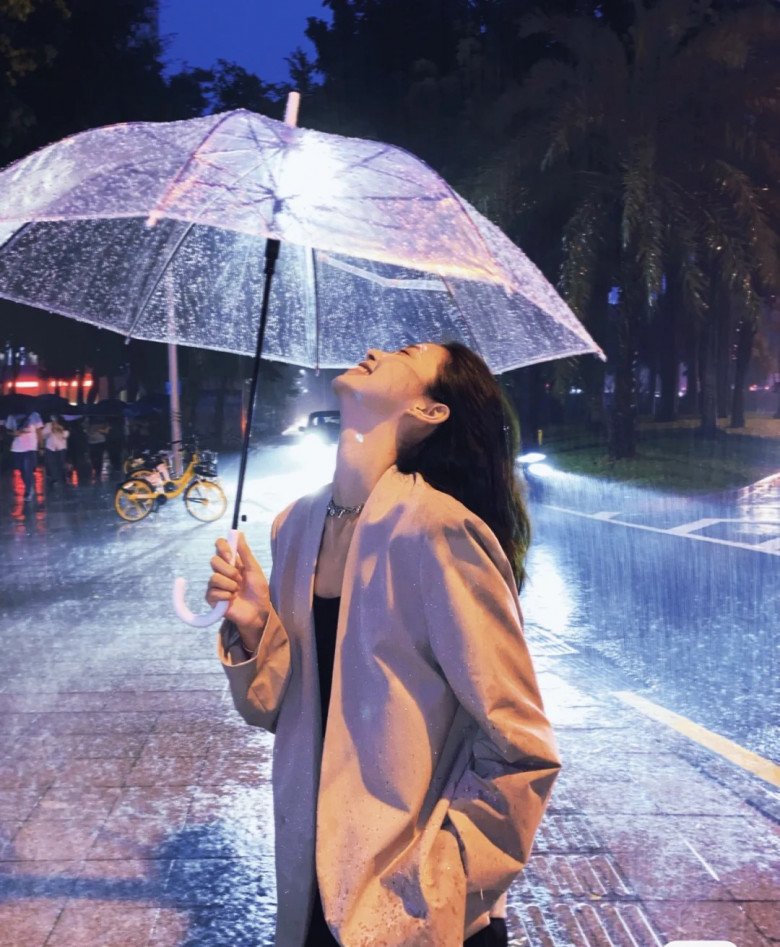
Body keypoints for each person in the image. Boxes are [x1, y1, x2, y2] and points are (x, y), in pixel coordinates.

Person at [206, 342, 561, 947]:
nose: (373, 351)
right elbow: (275, 711)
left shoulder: (441, 532)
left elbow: (521, 749)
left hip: (416, 912)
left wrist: (439, 880)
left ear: (430, 411)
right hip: (311, 889)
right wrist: (254, 624)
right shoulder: (295, 526)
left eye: (406, 354)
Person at [10, 412, 43, 500]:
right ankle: (29, 485)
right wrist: (14, 433)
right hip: (17, 447)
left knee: (27, 468)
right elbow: (8, 430)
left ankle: (28, 491)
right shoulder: (11, 415)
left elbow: (39, 430)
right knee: (21, 469)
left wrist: (41, 446)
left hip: (30, 446)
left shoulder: (34, 415)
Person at [41, 415, 70, 488]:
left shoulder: (63, 425)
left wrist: (59, 429)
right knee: (51, 463)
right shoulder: (48, 425)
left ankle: (64, 478)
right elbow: (43, 435)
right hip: (50, 448)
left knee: (61, 463)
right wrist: (50, 429)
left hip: (61, 447)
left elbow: (65, 435)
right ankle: (53, 479)